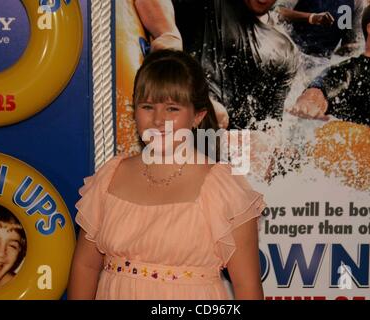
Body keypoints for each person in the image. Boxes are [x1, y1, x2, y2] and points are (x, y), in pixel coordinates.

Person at [68, 50, 266, 300]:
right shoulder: (110, 175)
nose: (158, 120)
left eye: (172, 108)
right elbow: (85, 266)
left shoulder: (223, 187)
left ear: (197, 116)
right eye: (148, 106)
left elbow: (247, 288)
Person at [135, 0, 299, 130]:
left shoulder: (285, 50)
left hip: (221, 147)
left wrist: (259, 144)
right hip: (178, 111)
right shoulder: (210, 4)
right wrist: (168, 34)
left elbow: (270, 127)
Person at [289, 0, 370, 133]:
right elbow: (319, 91)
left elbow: (351, 42)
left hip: (323, 56)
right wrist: (309, 102)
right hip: (298, 55)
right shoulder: (353, 70)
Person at [275, 0, 365, 57]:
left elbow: (353, 43)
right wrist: (311, 18)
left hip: (321, 63)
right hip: (289, 52)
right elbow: (278, 11)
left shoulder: (357, 2)